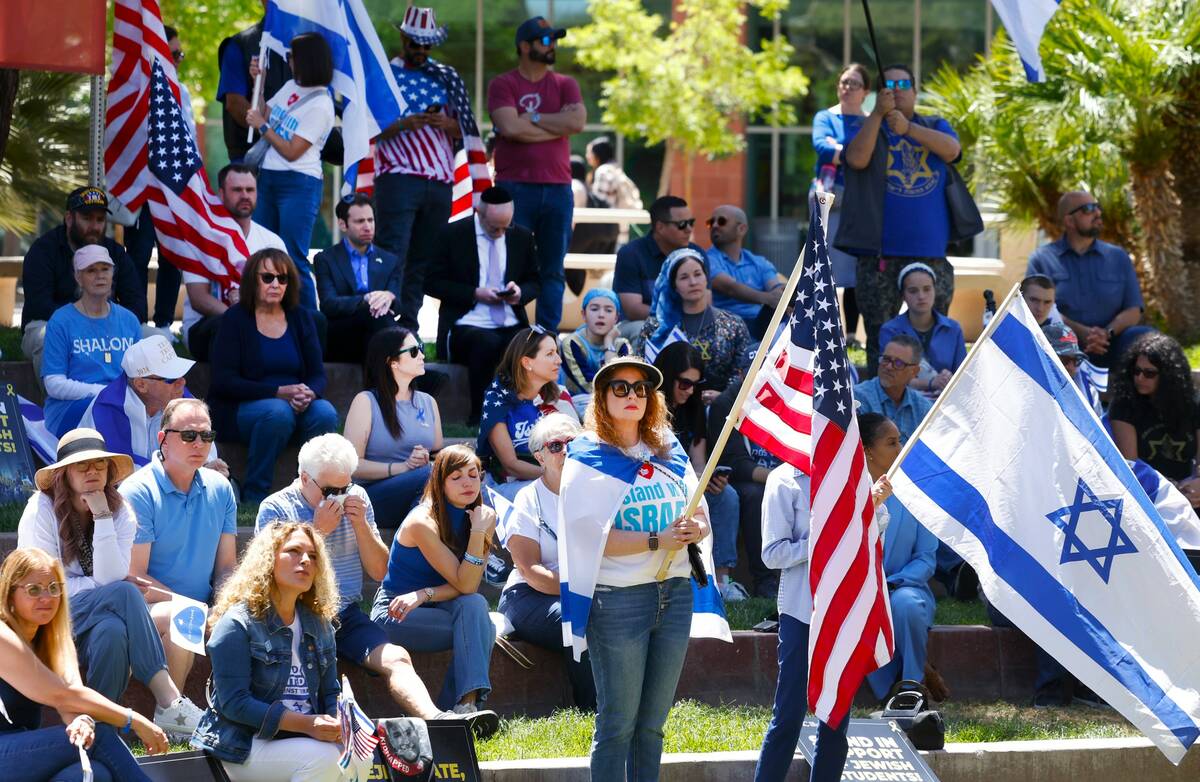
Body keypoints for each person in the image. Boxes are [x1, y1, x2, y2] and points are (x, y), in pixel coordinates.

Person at [557, 357, 710, 780]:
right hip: (618, 600)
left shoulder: (669, 448)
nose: (632, 395)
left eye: (641, 388)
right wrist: (658, 540)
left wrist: (696, 526)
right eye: (620, 388)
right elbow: (590, 539)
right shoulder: (586, 457)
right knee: (617, 725)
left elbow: (699, 509)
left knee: (653, 725)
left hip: (675, 593)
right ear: (602, 398)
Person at [255, 434, 469, 730]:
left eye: (347, 486)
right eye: (331, 490)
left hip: (344, 614)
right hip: (292, 617)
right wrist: (318, 533)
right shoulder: (276, 507)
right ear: (305, 478)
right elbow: (270, 577)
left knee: (396, 658)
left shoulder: (359, 498)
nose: (340, 496)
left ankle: (437, 721)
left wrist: (361, 526)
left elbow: (380, 571)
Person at [17, 429, 204, 737]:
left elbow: (109, 578)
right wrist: (104, 588)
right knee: (124, 591)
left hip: (95, 619)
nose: (92, 471)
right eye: (82, 465)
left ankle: (103, 729)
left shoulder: (120, 512)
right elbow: (48, 586)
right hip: (45, 617)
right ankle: (169, 700)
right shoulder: (40, 510)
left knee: (113, 631)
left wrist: (102, 516)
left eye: (100, 465)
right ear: (64, 473)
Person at [754, 433, 893, 782]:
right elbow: (773, 554)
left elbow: (873, 546)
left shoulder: (855, 478)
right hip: (802, 611)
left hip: (845, 610)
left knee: (836, 715)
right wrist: (830, 533)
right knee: (788, 714)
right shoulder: (783, 479)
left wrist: (869, 510)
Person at [191, 521, 344, 781]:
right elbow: (234, 703)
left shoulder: (319, 625)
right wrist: (308, 725)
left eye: (313, 556)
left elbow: (331, 692)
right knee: (325, 760)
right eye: (294, 551)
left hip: (304, 738)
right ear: (267, 560)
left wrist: (338, 723)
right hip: (243, 744)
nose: (305, 560)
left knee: (360, 759)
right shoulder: (237, 623)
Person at [0, 547, 169, 781]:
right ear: (9, 595)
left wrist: (82, 721)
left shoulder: (54, 636)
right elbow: (62, 695)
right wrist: (133, 719)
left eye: (53, 588)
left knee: (93, 774)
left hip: (22, 751)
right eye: (34, 590)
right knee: (101, 737)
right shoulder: (2, 635)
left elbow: (73, 697)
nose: (46, 598)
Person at [841, 64, 962, 376]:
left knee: (934, 332)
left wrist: (909, 129)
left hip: (930, 252)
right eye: (888, 84)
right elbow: (855, 158)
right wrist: (878, 115)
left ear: (915, 91)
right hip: (880, 254)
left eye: (903, 83)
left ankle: (932, 395)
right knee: (881, 337)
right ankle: (880, 408)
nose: (896, 88)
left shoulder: (934, 123)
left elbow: (952, 150)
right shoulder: (868, 125)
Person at [370, 445, 500, 717]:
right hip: (397, 612)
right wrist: (478, 533)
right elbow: (464, 584)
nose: (467, 482)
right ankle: (461, 707)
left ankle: (465, 705)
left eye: (473, 474)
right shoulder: (422, 521)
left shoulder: (483, 517)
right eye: (456, 477)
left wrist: (425, 593)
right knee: (480, 628)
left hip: (439, 604)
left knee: (475, 606)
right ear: (439, 482)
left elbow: (470, 586)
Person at [119, 399, 237, 692]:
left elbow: (226, 568)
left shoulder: (221, 489)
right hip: (145, 610)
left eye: (206, 436)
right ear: (163, 440)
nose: (199, 443)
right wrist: (196, 608)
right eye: (188, 435)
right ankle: (173, 715)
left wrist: (223, 608)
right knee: (184, 618)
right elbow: (136, 578)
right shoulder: (138, 491)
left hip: (202, 608)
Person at [209, 249, 338, 505]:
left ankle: (311, 491)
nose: (276, 284)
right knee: (278, 412)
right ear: (252, 281)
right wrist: (278, 392)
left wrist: (308, 392)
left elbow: (317, 374)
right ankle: (256, 494)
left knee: (326, 413)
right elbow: (224, 381)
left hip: (294, 403)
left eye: (283, 278)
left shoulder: (300, 317)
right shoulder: (235, 319)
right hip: (243, 408)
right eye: (267, 277)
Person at [374, 7, 470, 330]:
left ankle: (410, 326)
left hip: (440, 179)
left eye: (427, 45)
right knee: (393, 253)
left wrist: (447, 123)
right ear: (403, 38)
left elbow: (467, 130)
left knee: (422, 260)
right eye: (416, 44)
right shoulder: (384, 75)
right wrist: (404, 124)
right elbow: (367, 127)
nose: (422, 51)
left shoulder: (446, 77)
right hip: (398, 175)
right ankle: (385, 322)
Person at [487, 15, 586, 332]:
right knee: (511, 265)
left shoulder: (565, 84)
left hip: (558, 188)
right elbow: (509, 127)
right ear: (524, 46)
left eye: (554, 40)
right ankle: (510, 335)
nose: (552, 45)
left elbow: (576, 123)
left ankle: (546, 337)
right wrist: (556, 125)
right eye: (545, 41)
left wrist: (530, 118)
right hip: (514, 188)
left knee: (553, 270)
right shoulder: (503, 84)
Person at [497, 414, 597, 709]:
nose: (565, 450)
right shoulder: (529, 499)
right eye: (556, 445)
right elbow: (531, 571)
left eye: (572, 442)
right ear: (540, 457)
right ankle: (593, 710)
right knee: (580, 618)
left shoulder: (599, 492)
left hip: (592, 590)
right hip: (530, 596)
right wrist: (582, 592)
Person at [428, 186, 541, 426]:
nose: (501, 232)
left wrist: (519, 293)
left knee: (531, 344)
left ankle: (525, 415)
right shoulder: (452, 235)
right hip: (466, 321)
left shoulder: (521, 236)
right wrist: (474, 293)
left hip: (510, 319)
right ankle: (481, 415)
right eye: (494, 227)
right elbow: (431, 282)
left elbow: (535, 281)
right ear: (478, 213)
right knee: (486, 343)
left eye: (505, 227)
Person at [244, 32, 336, 310]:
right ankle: (262, 317)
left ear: (306, 60)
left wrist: (262, 126)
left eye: (292, 57)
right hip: (269, 178)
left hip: (299, 183)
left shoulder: (322, 104)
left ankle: (308, 324)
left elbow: (292, 150)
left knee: (292, 256)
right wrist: (257, 82)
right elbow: (263, 110)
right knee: (261, 253)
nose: (289, 62)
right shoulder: (288, 86)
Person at [21, 187, 147, 379]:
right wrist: (82, 324)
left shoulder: (116, 252)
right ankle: (56, 405)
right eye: (87, 218)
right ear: (69, 218)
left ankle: (140, 407)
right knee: (44, 338)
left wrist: (106, 323)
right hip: (50, 324)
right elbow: (39, 305)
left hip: (109, 324)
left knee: (157, 338)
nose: (94, 227)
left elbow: (137, 305)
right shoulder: (43, 250)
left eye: (100, 219)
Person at [655, 343, 746, 601]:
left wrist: (707, 479)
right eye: (684, 383)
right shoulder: (646, 406)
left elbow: (697, 461)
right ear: (668, 376)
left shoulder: (693, 408)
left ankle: (722, 580)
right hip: (656, 486)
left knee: (726, 496)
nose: (690, 390)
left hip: (687, 484)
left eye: (696, 384)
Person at [859, 414, 938, 703]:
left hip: (906, 587)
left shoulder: (916, 493)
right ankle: (886, 687)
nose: (900, 447)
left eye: (900, 441)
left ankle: (911, 685)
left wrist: (891, 583)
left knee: (905, 605)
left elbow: (927, 557)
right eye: (892, 442)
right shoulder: (850, 492)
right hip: (862, 590)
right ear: (867, 450)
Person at [1026, 191, 1152, 367]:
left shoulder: (1118, 256)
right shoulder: (1042, 259)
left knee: (1147, 338)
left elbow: (1134, 308)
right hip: (1062, 343)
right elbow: (1037, 308)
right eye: (1088, 209)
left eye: (1097, 207)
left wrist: (1106, 333)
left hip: (1111, 342)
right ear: (1069, 220)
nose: (1097, 213)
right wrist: (1082, 333)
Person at [121, 24, 190, 333]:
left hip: (172, 189)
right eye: (172, 54)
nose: (177, 60)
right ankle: (135, 322)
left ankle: (163, 324)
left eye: (179, 54)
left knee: (172, 258)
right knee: (137, 255)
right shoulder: (131, 90)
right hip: (140, 189)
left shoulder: (181, 91)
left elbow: (189, 142)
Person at [80, 335, 227, 476]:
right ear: (141, 384)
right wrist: (184, 470)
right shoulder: (107, 410)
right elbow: (119, 471)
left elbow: (205, 450)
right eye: (171, 378)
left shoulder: (182, 399)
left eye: (181, 374)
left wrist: (207, 467)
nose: (182, 382)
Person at [183, 164, 286, 361]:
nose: (245, 195)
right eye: (237, 190)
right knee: (227, 325)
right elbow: (199, 299)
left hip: (262, 320)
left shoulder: (272, 242)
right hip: (207, 325)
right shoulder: (201, 238)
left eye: (250, 190)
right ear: (221, 193)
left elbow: (284, 292)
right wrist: (241, 317)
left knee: (309, 320)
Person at [343, 328, 443, 527]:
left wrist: (426, 458)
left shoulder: (428, 402)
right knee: (430, 476)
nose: (422, 355)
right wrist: (404, 467)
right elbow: (351, 466)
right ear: (392, 362)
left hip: (419, 491)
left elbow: (437, 454)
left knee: (458, 479)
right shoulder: (366, 402)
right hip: (371, 497)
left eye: (421, 348)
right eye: (414, 351)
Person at [40, 246, 142, 437]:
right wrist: (103, 393)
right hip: (71, 408)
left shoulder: (129, 320)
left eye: (105, 269)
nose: (100, 276)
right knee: (108, 412)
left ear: (113, 273)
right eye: (91, 270)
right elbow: (53, 384)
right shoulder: (61, 321)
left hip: (121, 405)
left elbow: (141, 376)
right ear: (78, 277)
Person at [477, 327, 578, 499]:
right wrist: (556, 479)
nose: (559, 360)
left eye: (557, 352)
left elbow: (577, 448)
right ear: (527, 362)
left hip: (557, 481)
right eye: (550, 354)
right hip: (510, 485)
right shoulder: (498, 401)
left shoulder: (559, 396)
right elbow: (511, 465)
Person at [636, 247, 752, 395]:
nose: (693, 282)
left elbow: (743, 371)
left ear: (706, 278)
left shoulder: (733, 324)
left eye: (698, 274)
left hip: (721, 409)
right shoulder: (655, 327)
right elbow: (643, 373)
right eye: (684, 277)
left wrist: (724, 397)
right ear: (674, 285)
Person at [813, 63, 870, 341]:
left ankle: (849, 335)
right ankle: (825, 332)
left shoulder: (871, 122)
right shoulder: (825, 117)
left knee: (855, 274)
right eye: (844, 82)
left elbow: (874, 157)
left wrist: (840, 152)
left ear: (866, 91)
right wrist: (857, 155)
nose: (847, 88)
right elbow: (821, 148)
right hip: (832, 202)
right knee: (827, 268)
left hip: (862, 203)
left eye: (855, 84)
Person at [708, 384, 782, 599]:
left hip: (786, 473)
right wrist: (778, 479)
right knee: (754, 494)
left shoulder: (788, 397)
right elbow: (736, 463)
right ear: (741, 374)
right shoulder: (727, 403)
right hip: (750, 481)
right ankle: (763, 581)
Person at [1109, 333, 1200, 501]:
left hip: (1188, 489)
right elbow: (1131, 465)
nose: (1139, 378)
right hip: (1149, 493)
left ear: (1168, 375)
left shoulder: (1191, 404)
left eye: (1149, 373)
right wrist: (1174, 491)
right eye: (1136, 371)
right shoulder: (1124, 405)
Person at [314, 195, 402, 363]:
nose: (368, 227)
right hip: (343, 333)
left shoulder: (390, 260)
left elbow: (399, 305)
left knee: (382, 319)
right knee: (379, 318)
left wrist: (389, 298)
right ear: (342, 224)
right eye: (360, 221)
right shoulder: (325, 259)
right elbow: (329, 304)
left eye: (371, 220)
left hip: (378, 329)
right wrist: (365, 299)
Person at [216, 0, 292, 164]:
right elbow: (234, 104)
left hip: (298, 160)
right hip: (250, 160)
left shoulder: (308, 46)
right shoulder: (240, 44)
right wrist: (276, 133)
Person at [613, 195, 703, 330]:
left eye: (691, 222)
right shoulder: (631, 254)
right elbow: (633, 310)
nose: (689, 229)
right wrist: (676, 318)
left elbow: (706, 300)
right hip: (638, 323)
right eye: (682, 224)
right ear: (660, 227)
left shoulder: (697, 254)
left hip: (686, 321)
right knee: (643, 329)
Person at [878, 263, 966, 397]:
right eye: (913, 291)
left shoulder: (953, 329)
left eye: (927, 289)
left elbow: (963, 375)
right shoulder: (890, 330)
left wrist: (949, 378)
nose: (921, 296)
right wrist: (931, 382)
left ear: (935, 291)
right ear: (903, 296)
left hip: (946, 403)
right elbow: (892, 377)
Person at [705, 205, 786, 338]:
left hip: (759, 324)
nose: (714, 225)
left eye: (721, 221)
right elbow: (729, 288)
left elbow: (776, 288)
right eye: (710, 222)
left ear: (741, 229)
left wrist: (780, 293)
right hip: (724, 328)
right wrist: (767, 298)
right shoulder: (705, 259)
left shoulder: (758, 262)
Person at [559, 288, 631, 415]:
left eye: (608, 310)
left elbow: (623, 380)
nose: (601, 315)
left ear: (616, 318)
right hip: (579, 403)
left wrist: (609, 343)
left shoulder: (622, 345)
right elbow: (587, 386)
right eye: (594, 309)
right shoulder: (572, 343)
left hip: (615, 400)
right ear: (583, 315)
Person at [853, 335, 933, 444]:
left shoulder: (923, 409)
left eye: (899, 363)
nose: (889, 367)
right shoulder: (857, 399)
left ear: (914, 371)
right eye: (886, 359)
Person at [586, 136, 643, 211]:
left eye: (589, 152)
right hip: (624, 216)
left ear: (598, 154)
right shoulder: (614, 168)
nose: (587, 156)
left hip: (612, 218)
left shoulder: (603, 171)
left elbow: (601, 201)